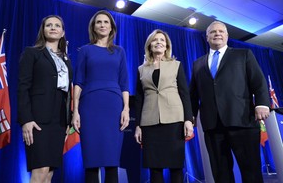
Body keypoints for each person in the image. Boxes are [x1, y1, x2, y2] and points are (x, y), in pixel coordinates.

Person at [189, 21, 270, 183]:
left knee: (251, 170)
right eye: (213, 32)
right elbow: (193, 93)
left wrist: (262, 103)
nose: (217, 34)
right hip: (212, 125)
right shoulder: (198, 63)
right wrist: (191, 116)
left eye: (221, 31)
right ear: (207, 37)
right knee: (221, 173)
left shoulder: (243, 54)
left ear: (227, 35)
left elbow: (259, 81)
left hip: (242, 120)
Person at [71, 10, 130, 183]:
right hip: (89, 106)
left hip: (113, 106)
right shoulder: (85, 50)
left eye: (106, 22)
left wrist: (126, 109)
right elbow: (79, 82)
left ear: (111, 27)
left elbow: (124, 83)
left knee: (112, 161)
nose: (102, 25)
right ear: (93, 27)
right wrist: (75, 111)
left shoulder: (120, 52)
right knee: (91, 161)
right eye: (99, 22)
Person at [17, 15, 73, 183]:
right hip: (38, 119)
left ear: (63, 32)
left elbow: (67, 92)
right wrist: (26, 119)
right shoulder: (32, 53)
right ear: (43, 30)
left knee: (49, 173)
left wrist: (67, 121)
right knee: (40, 170)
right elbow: (22, 87)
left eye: (57, 25)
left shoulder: (66, 60)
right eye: (49, 25)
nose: (53, 27)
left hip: (59, 121)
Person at [134, 29, 194, 183]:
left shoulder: (176, 65)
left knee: (176, 166)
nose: (158, 42)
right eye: (155, 40)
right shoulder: (141, 69)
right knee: (155, 167)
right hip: (150, 122)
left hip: (174, 120)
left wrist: (188, 119)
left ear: (167, 45)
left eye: (162, 40)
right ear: (149, 45)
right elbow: (139, 98)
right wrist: (138, 125)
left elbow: (184, 93)